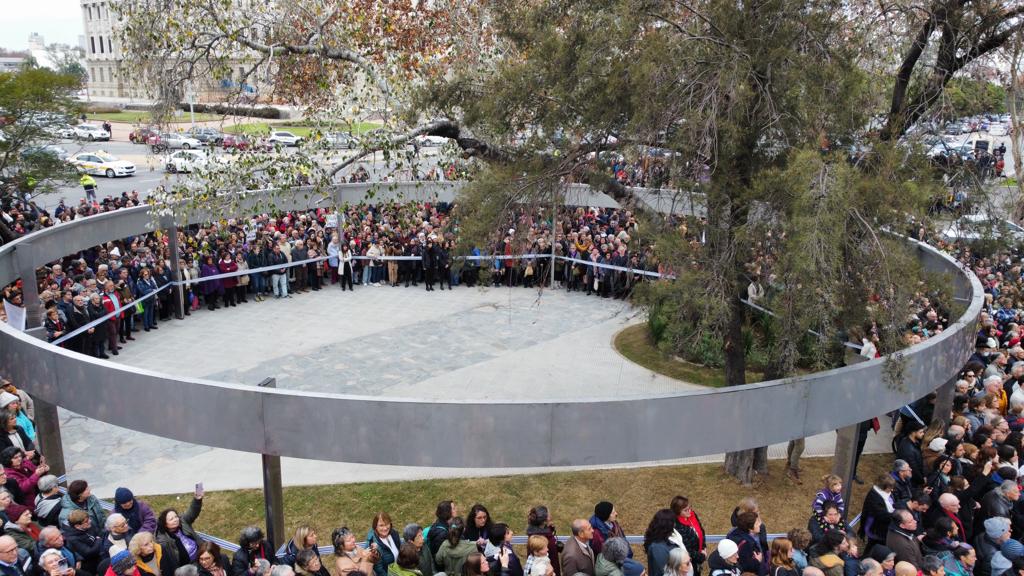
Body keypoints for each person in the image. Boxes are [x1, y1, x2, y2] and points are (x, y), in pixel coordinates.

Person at [154, 488, 203, 567]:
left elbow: (192, 512)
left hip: (201, 555)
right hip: (188, 566)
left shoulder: (183, 521)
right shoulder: (163, 540)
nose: (175, 520)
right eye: (171, 519)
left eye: (176, 517)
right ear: (165, 524)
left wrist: (197, 500)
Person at [861, 475, 896, 554]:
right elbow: (881, 515)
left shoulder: (885, 493)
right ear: (883, 487)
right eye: (890, 488)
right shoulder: (874, 497)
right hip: (875, 528)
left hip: (882, 527)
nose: (892, 490)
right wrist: (896, 514)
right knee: (873, 546)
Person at [670, 497, 705, 575]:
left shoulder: (692, 515)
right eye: (685, 510)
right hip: (688, 561)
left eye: (690, 507)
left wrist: (703, 547)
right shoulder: (677, 526)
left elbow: (701, 531)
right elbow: (687, 549)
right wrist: (701, 556)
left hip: (698, 554)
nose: (689, 511)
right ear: (677, 512)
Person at [63, 509, 103, 574]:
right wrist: (99, 541)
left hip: (99, 557)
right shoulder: (72, 538)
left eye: (89, 518)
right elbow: (89, 552)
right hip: (89, 565)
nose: (90, 521)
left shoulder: (88, 525)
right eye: (86, 521)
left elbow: (100, 533)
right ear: (77, 526)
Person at [726, 511, 765, 576]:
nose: (759, 524)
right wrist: (758, 561)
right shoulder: (746, 544)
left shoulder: (735, 533)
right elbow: (745, 565)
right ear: (750, 528)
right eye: (756, 523)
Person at [526, 507, 560, 576]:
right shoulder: (546, 540)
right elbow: (553, 561)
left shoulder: (533, 533)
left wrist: (550, 528)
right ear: (545, 520)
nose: (550, 516)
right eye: (549, 514)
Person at [645, 510, 679, 576]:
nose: (675, 524)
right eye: (674, 522)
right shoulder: (657, 547)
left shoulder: (671, 538)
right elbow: (664, 571)